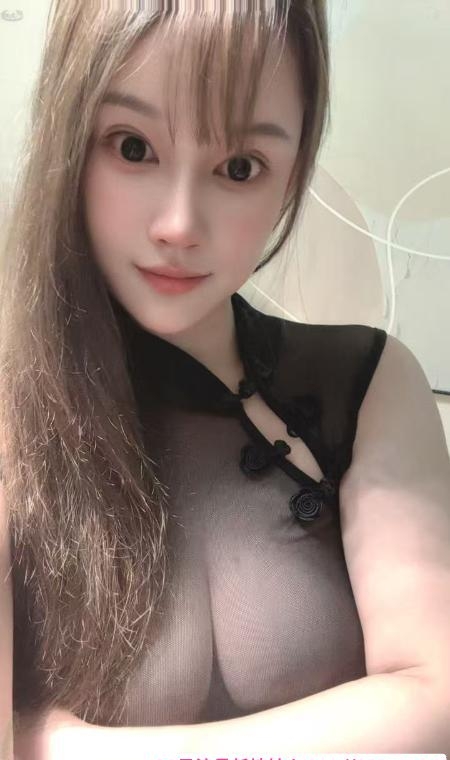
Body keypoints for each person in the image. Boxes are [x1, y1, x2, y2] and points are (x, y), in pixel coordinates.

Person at [1, 1, 449, 757]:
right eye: (133, 147)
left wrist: (63, 745)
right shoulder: (13, 409)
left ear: (292, 173)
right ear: (68, 140)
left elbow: (436, 697)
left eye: (239, 168)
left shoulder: (370, 385)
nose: (179, 224)